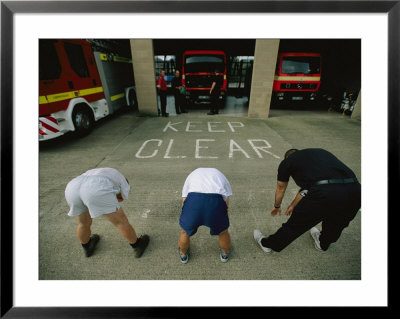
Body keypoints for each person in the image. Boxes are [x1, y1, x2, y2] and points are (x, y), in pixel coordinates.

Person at [254, 148, 361, 254]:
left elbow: (281, 188)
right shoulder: (320, 153)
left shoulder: (287, 162)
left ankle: (267, 244)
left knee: (295, 226)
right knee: (338, 222)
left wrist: (277, 206)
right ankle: (323, 243)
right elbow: (307, 188)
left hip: (325, 192)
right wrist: (293, 205)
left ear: (287, 157)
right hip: (355, 190)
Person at [65, 167, 150, 258]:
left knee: (82, 223)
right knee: (121, 222)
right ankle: (137, 245)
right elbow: (122, 196)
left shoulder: (105, 172)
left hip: (72, 187)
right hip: (95, 187)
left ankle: (87, 247)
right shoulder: (121, 181)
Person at [178, 168, 232, 263]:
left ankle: (183, 254)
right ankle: (225, 253)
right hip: (214, 201)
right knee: (223, 232)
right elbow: (226, 198)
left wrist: (187, 215)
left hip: (194, 202)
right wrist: (224, 213)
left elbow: (184, 199)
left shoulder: (192, 174)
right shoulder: (220, 174)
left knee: (185, 232)